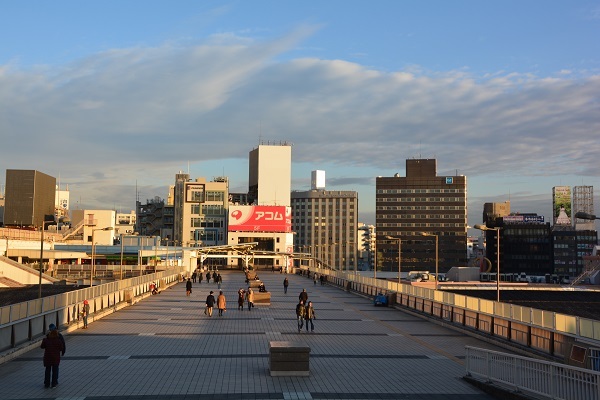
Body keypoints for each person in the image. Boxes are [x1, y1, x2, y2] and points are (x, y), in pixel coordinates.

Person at [41, 324, 65, 388]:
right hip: (55, 358)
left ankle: (47, 383)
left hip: (48, 357)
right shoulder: (58, 340)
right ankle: (54, 383)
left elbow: (42, 346)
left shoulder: (46, 339)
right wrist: (62, 352)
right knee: (55, 370)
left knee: (47, 370)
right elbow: (61, 348)